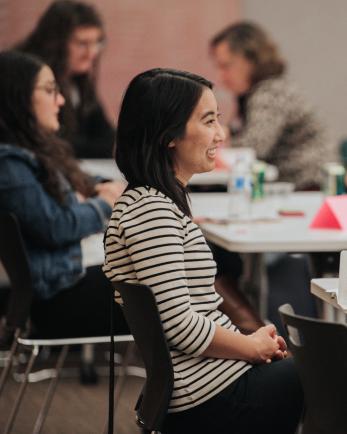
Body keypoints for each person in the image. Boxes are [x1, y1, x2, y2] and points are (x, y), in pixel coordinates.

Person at [103, 68, 303, 434]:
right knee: (332, 374)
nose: (220, 135)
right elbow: (179, 326)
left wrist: (252, 344)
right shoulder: (151, 211)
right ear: (169, 135)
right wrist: (251, 347)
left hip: (210, 383)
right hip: (209, 396)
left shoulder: (152, 202)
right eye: (208, 121)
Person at [0, 50, 127, 338]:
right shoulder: (9, 164)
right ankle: (239, 354)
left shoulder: (33, 151)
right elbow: (57, 226)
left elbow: (75, 180)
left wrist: (95, 189)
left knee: (191, 262)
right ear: (16, 97)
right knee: (173, 275)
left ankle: (240, 350)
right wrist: (104, 203)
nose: (60, 100)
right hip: (60, 298)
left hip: (69, 282)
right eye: (49, 90)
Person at [210, 21, 337, 190]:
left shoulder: (270, 92)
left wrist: (212, 141)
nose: (221, 77)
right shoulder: (254, 93)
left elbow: (254, 146)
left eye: (226, 66)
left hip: (309, 184)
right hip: (295, 183)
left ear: (251, 59)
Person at [17, 0, 114, 159]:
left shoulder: (78, 79)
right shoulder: (27, 76)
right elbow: (50, 142)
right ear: (55, 42)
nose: (91, 53)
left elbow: (105, 133)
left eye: (97, 43)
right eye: (82, 43)